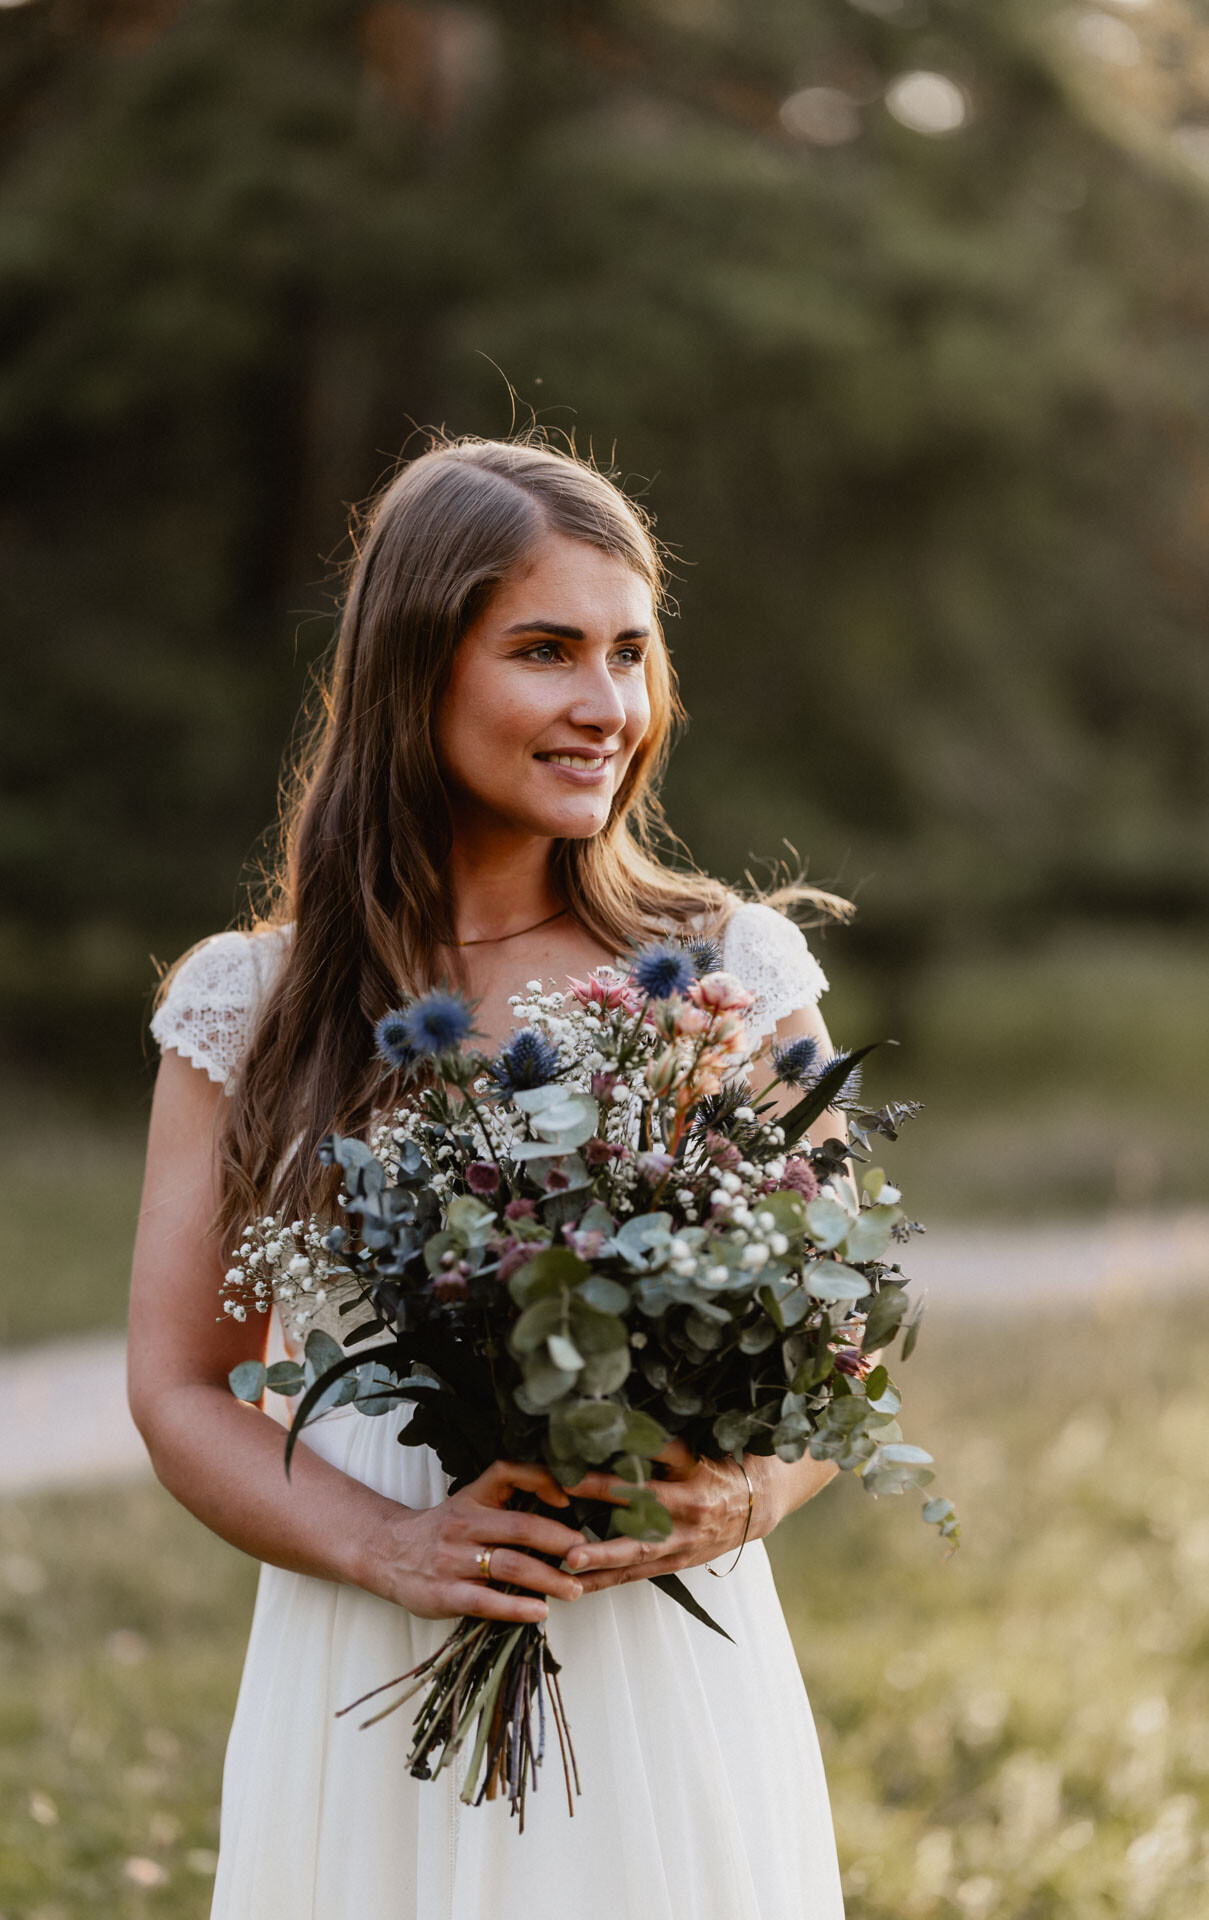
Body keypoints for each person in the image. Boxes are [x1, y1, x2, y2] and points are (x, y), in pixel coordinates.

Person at [128, 434, 851, 1919]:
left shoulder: (724, 972)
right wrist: (389, 1542)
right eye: (545, 651)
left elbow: (843, 1350)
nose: (606, 706)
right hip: (368, 1665)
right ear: (415, 673)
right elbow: (179, 1382)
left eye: (629, 654)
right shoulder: (253, 1005)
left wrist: (740, 1501)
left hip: (655, 1658)